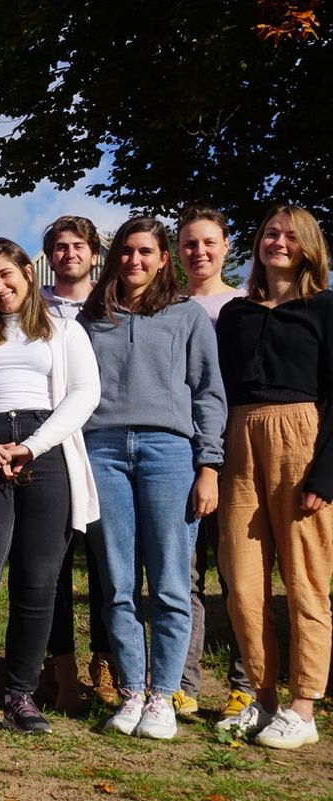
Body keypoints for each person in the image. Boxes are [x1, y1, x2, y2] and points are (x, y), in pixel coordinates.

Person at [0, 239, 100, 746]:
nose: (0, 287)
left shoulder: (63, 329)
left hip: (44, 450)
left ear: (28, 274)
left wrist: (32, 445)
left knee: (38, 580)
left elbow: (84, 394)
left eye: (7, 275)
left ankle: (20, 695)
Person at [79, 217, 227, 740]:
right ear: (114, 257)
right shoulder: (93, 319)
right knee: (117, 581)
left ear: (164, 259)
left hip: (170, 453)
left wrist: (209, 466)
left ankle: (164, 694)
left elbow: (209, 394)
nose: (134, 261)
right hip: (105, 452)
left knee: (169, 582)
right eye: (126, 251)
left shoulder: (187, 316)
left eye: (146, 252)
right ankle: (132, 691)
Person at [215, 204, 333, 750]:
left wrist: (324, 474)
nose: (278, 243)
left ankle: (303, 706)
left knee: (306, 581)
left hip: (301, 440)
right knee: (242, 583)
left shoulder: (325, 309)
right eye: (269, 234)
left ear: (308, 245)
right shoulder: (236, 314)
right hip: (239, 442)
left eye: (289, 236)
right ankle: (261, 701)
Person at [173, 206, 253, 720]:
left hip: (240, 449)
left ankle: (248, 682)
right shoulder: (170, 306)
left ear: (226, 246)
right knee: (185, 571)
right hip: (182, 450)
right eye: (188, 244)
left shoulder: (247, 305)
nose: (198, 252)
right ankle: (184, 683)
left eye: (208, 242)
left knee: (240, 571)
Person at [39, 215, 116, 710]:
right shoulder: (34, 306)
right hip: (51, 444)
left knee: (109, 564)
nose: (69, 253)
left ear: (93, 254)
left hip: (104, 441)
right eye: (60, 247)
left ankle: (106, 661)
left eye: (78, 246)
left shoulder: (112, 304)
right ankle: (57, 662)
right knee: (53, 564)